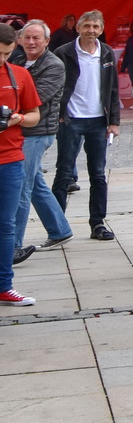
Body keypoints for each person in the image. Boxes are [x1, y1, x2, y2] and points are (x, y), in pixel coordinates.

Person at [52, 10, 120, 241]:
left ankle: (98, 223)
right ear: (78, 28)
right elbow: (55, 85)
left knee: (98, 175)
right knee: (63, 173)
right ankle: (57, 225)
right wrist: (59, 114)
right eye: (87, 26)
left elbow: (112, 89)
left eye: (96, 27)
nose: (91, 30)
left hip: (98, 122)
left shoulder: (107, 52)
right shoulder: (64, 53)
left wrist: (114, 121)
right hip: (71, 120)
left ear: (101, 29)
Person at [10, 21, 70, 265]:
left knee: (20, 186)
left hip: (38, 131)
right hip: (20, 128)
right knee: (34, 181)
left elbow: (35, 98)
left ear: (46, 41)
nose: (31, 42)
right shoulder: (18, 60)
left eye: (36, 38)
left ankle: (12, 246)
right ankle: (60, 230)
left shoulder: (54, 65)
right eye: (27, 37)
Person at [0, 28, 44, 306]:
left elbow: (35, 115)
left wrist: (16, 119)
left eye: (6, 54)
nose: (2, 59)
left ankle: (4, 285)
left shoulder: (19, 74)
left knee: (6, 226)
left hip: (10, 159)